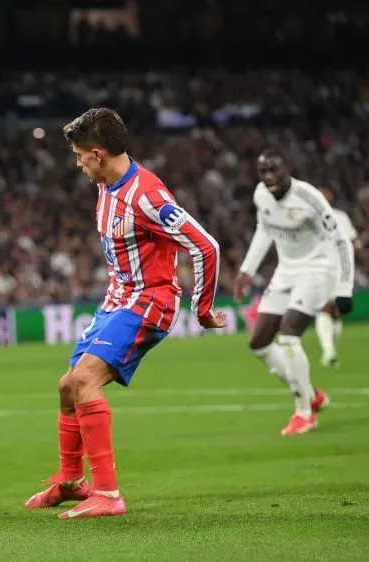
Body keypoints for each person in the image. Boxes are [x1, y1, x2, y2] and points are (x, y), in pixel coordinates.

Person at [25, 107, 224, 519]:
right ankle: (71, 483)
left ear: (98, 154)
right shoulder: (106, 186)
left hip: (150, 301)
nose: (78, 164)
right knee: (67, 387)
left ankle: (109, 494)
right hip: (117, 301)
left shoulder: (147, 195)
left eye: (80, 156)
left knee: (84, 381)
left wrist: (202, 308)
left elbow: (206, 246)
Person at [233, 152, 355, 435]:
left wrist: (344, 288)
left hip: (317, 268)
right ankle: (311, 393)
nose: (269, 177)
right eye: (263, 171)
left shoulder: (309, 198)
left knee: (288, 335)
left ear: (286, 169)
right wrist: (246, 270)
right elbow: (264, 229)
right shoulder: (261, 195)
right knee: (259, 342)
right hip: (286, 270)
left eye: (274, 170)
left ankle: (304, 412)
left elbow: (341, 240)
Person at [313, 186, 359, 368]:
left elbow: (354, 242)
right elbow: (354, 243)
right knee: (329, 310)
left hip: (329, 269)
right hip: (331, 270)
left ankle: (329, 350)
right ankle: (329, 351)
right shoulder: (339, 216)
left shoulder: (315, 218)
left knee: (331, 310)